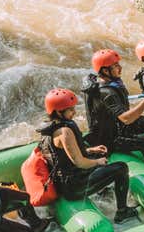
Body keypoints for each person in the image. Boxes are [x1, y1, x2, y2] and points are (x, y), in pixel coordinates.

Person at [38, 88, 138, 223]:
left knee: (97, 158)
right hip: (73, 187)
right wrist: (98, 162)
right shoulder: (64, 132)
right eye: (70, 109)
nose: (74, 112)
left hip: (63, 183)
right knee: (121, 168)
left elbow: (63, 155)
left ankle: (103, 193)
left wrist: (91, 150)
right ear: (58, 112)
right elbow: (80, 163)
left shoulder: (51, 129)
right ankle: (122, 212)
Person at [82, 48, 144, 162]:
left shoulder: (104, 81)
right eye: (115, 66)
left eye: (118, 64)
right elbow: (126, 119)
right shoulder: (107, 93)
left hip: (117, 124)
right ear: (105, 71)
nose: (120, 68)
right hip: (109, 138)